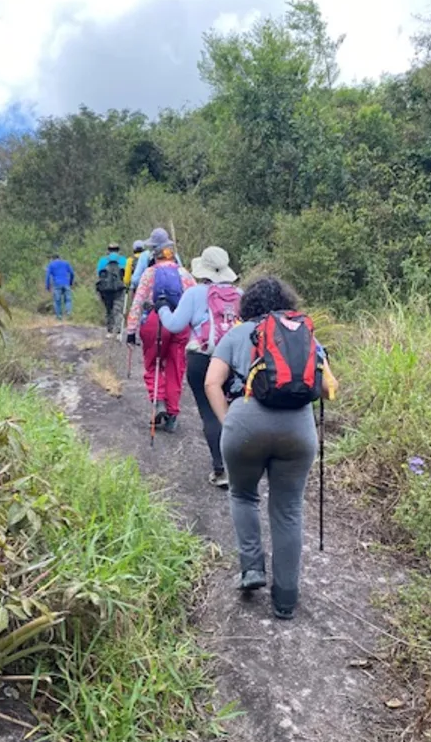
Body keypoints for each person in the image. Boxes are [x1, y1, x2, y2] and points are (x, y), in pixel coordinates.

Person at [204, 276, 338, 620]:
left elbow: (211, 382)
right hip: (297, 428)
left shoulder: (237, 333)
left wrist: (227, 421)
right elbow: (327, 388)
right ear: (286, 302)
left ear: (247, 304)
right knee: (288, 509)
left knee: (243, 495)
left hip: (245, 422)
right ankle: (286, 599)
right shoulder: (305, 335)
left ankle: (252, 570)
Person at [157, 246, 242, 486]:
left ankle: (221, 469)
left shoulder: (195, 294)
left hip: (203, 359)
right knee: (235, 411)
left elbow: (174, 325)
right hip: (235, 361)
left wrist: (162, 307)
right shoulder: (240, 294)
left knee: (210, 412)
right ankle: (240, 467)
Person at [126, 229, 195, 432]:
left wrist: (131, 329)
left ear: (153, 253)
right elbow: (196, 297)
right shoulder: (184, 273)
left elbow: (138, 302)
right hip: (180, 322)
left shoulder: (149, 273)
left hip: (155, 323)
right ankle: (173, 414)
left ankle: (159, 402)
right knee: (176, 368)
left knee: (153, 365)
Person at [96, 243, 128, 338]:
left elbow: (99, 274)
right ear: (118, 250)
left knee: (108, 310)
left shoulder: (103, 261)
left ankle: (109, 331)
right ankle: (118, 332)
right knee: (118, 309)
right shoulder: (123, 260)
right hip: (119, 288)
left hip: (106, 290)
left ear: (108, 250)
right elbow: (127, 275)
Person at [45, 253, 75, 320]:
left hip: (57, 285)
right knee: (68, 300)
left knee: (57, 301)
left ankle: (59, 317)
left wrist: (47, 286)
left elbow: (47, 277)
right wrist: (70, 282)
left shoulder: (51, 265)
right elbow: (72, 273)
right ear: (59, 257)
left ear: (52, 259)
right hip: (66, 284)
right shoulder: (66, 263)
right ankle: (68, 313)